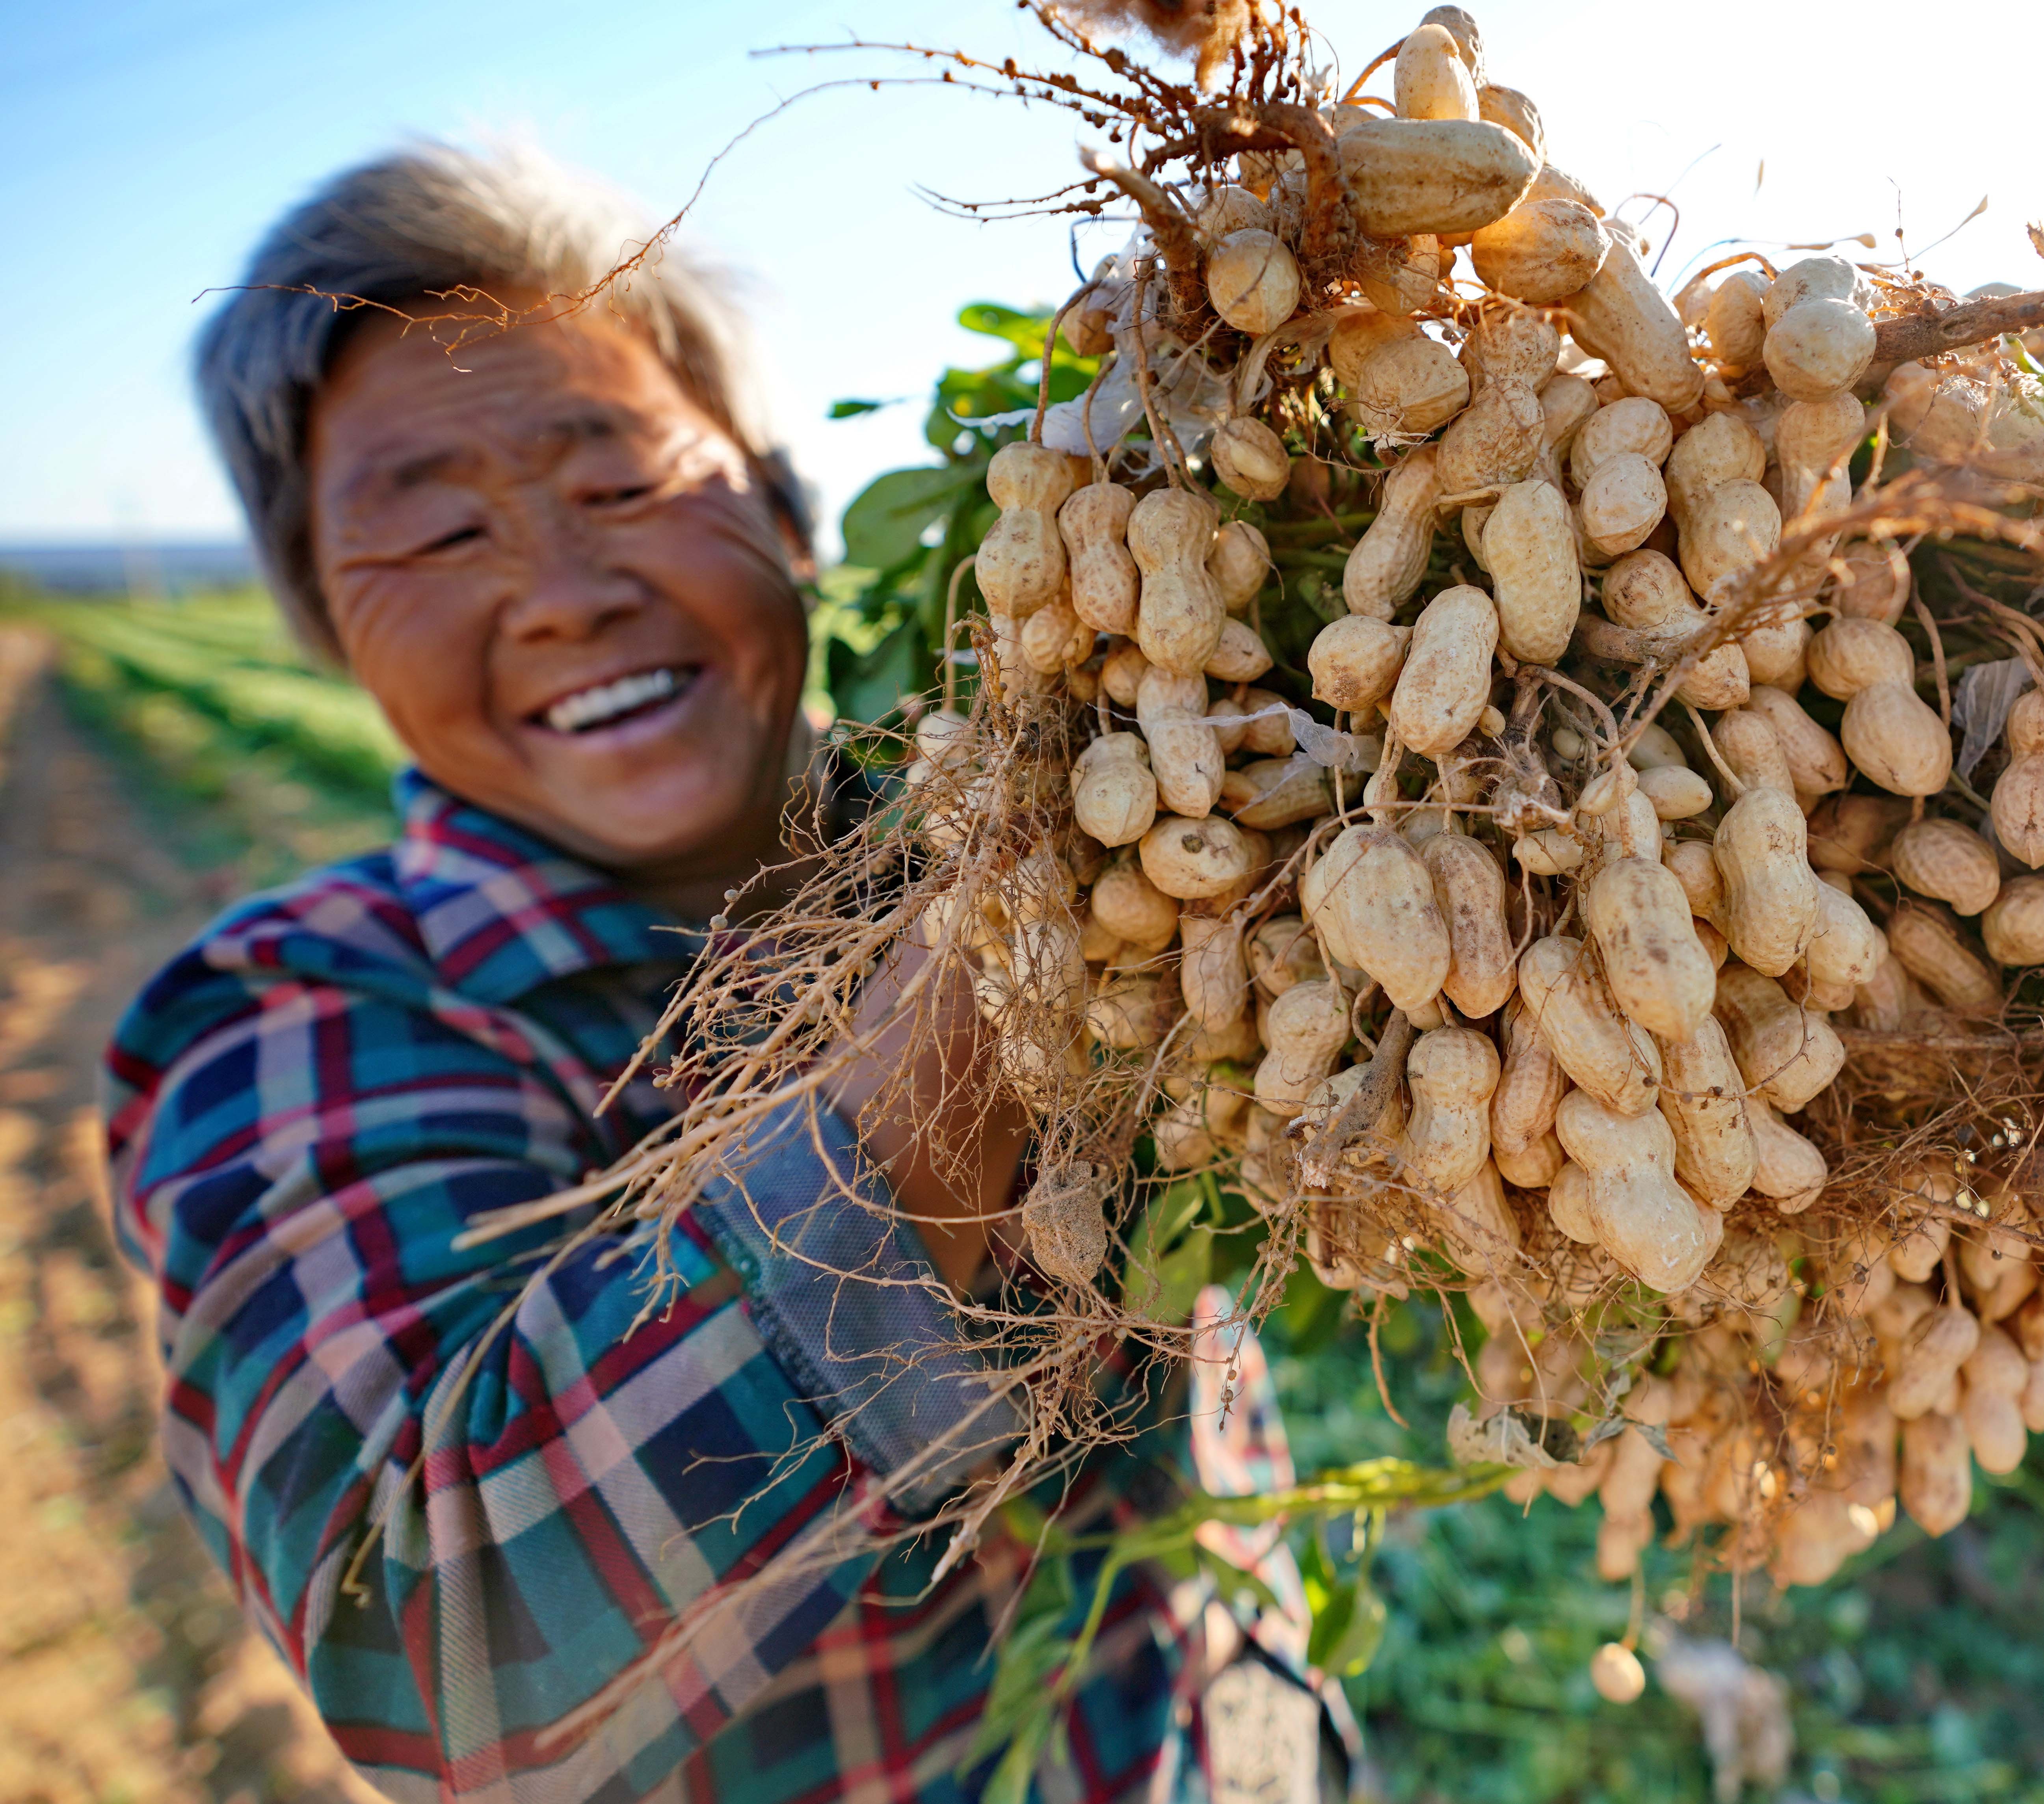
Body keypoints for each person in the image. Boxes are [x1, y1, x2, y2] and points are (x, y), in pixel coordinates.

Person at [105, 144, 1343, 1802]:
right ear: (330, 631)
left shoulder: (1090, 794)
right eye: (439, 534)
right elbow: (434, 1654)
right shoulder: (291, 1020)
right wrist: (966, 1020)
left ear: (784, 505)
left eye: (623, 485)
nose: (562, 592)